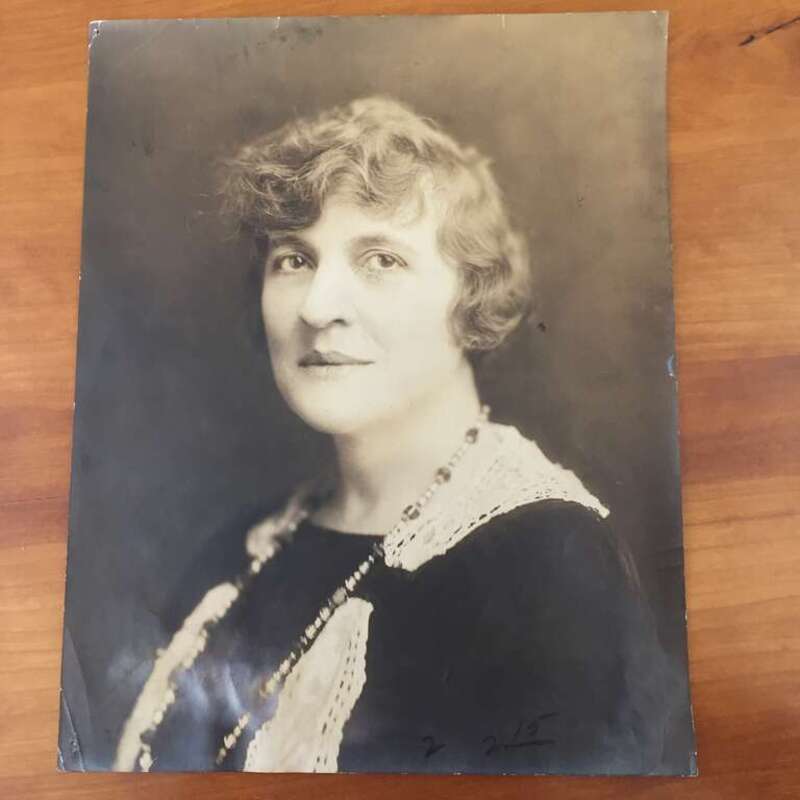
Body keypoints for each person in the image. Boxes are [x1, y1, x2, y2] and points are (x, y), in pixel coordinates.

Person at [112, 96, 674, 775]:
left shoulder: (546, 565)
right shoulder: (242, 550)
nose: (319, 308)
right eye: (294, 259)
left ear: (472, 294)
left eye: (380, 259)